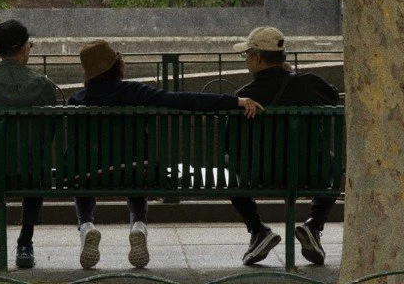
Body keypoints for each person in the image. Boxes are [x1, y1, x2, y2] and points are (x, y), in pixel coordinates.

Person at [69, 39, 264, 269]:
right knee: (135, 162)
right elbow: (181, 100)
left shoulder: (77, 101)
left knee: (83, 166)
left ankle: (87, 226)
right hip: (137, 172)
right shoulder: (133, 92)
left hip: (90, 176)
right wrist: (235, 101)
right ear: (116, 66)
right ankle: (139, 224)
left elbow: (73, 151)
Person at [228, 26, 339, 266]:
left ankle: (258, 230)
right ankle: (314, 224)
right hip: (310, 172)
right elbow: (333, 97)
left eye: (247, 54)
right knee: (333, 162)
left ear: (257, 58)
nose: (246, 59)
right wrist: (294, 75)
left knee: (231, 165)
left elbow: (230, 146)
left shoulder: (244, 95)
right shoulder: (309, 84)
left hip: (259, 175)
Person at [0, 20, 58, 269]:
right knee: (35, 161)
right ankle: (25, 242)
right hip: (29, 175)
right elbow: (49, 135)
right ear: (26, 48)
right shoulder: (45, 87)